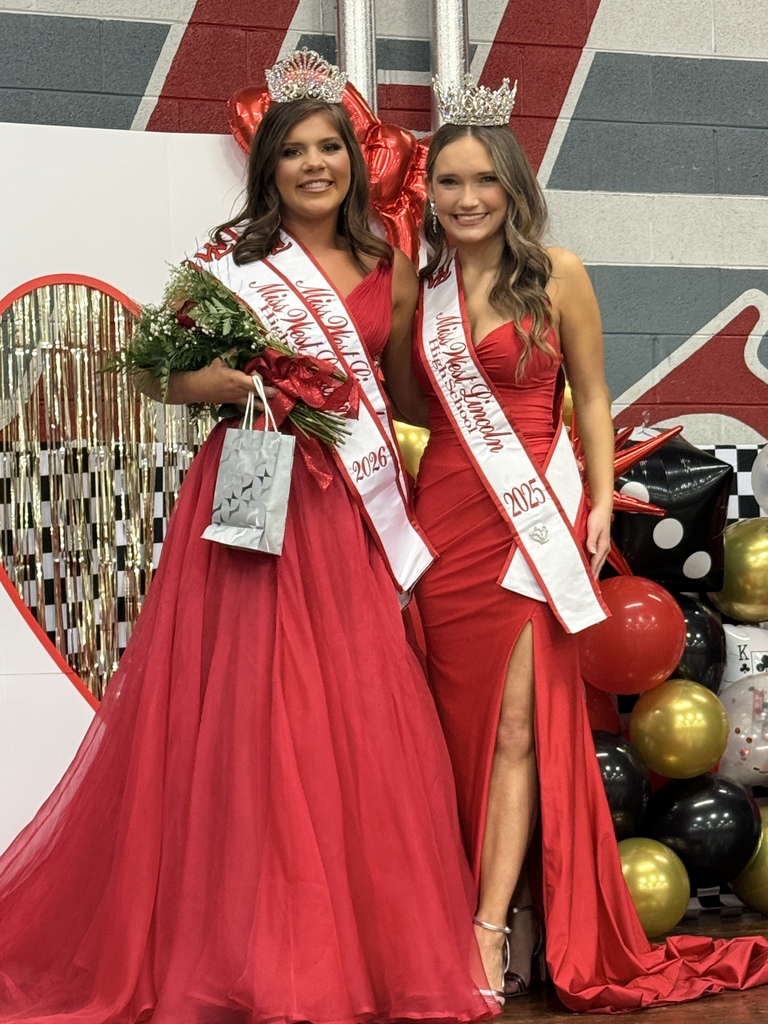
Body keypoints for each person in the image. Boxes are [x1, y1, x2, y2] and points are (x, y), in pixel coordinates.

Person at [0, 52, 497, 1024]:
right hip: (248, 506)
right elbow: (160, 380)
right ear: (268, 166)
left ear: (356, 163)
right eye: (295, 152)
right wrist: (229, 384)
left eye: (332, 149)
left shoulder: (390, 275)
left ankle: (342, 949)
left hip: (342, 515)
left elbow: (399, 401)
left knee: (344, 717)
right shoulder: (227, 265)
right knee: (242, 719)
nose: (316, 165)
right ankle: (236, 950)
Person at [411, 74, 768, 1012]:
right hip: (443, 518)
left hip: (533, 517)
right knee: (454, 737)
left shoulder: (557, 272)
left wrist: (602, 494)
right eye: (447, 180)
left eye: (483, 177)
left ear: (515, 184)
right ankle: (494, 914)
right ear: (429, 192)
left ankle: (487, 931)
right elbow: (412, 407)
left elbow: (595, 396)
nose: (467, 197)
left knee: (520, 731)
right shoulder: (423, 292)